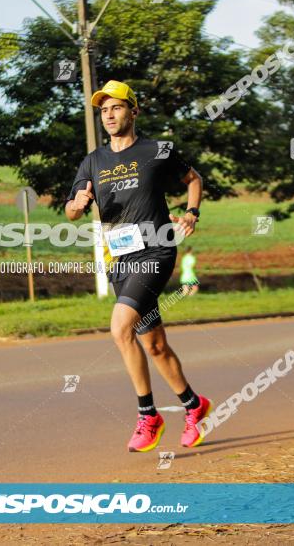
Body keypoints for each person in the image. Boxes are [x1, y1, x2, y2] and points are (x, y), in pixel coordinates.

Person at [65, 80, 211, 452]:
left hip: (156, 251)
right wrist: (78, 204)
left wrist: (192, 213)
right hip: (120, 260)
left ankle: (149, 415)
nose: (109, 115)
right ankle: (195, 406)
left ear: (134, 111)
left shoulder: (156, 150)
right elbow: (70, 210)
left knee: (119, 328)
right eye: (104, 110)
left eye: (116, 108)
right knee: (155, 344)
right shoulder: (93, 161)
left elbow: (193, 179)